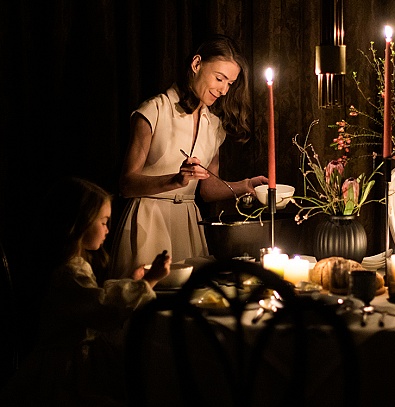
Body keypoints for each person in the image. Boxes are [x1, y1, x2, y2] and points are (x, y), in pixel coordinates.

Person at [0, 177, 171, 406]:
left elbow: (91, 297)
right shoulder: (69, 272)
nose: (108, 229)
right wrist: (148, 281)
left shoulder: (73, 267)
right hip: (64, 373)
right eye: (103, 222)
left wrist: (133, 281)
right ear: (79, 223)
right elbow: (100, 307)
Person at [110, 34, 267, 278]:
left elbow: (208, 189)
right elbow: (126, 184)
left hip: (187, 222)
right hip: (148, 220)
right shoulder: (154, 110)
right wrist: (175, 180)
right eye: (219, 78)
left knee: (191, 295)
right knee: (147, 294)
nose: (223, 90)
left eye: (230, 83)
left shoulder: (213, 125)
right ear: (196, 64)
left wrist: (245, 186)